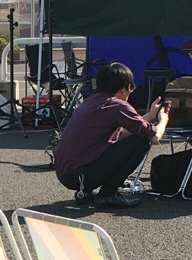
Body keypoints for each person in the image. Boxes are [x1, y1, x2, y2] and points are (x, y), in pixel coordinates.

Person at [53, 62, 168, 209]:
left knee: (128, 138)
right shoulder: (117, 106)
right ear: (124, 89)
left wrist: (150, 115)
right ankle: (107, 194)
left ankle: (87, 191)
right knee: (141, 141)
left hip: (66, 174)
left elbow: (123, 133)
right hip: (81, 176)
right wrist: (163, 119)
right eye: (131, 88)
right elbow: (154, 136)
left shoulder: (91, 101)